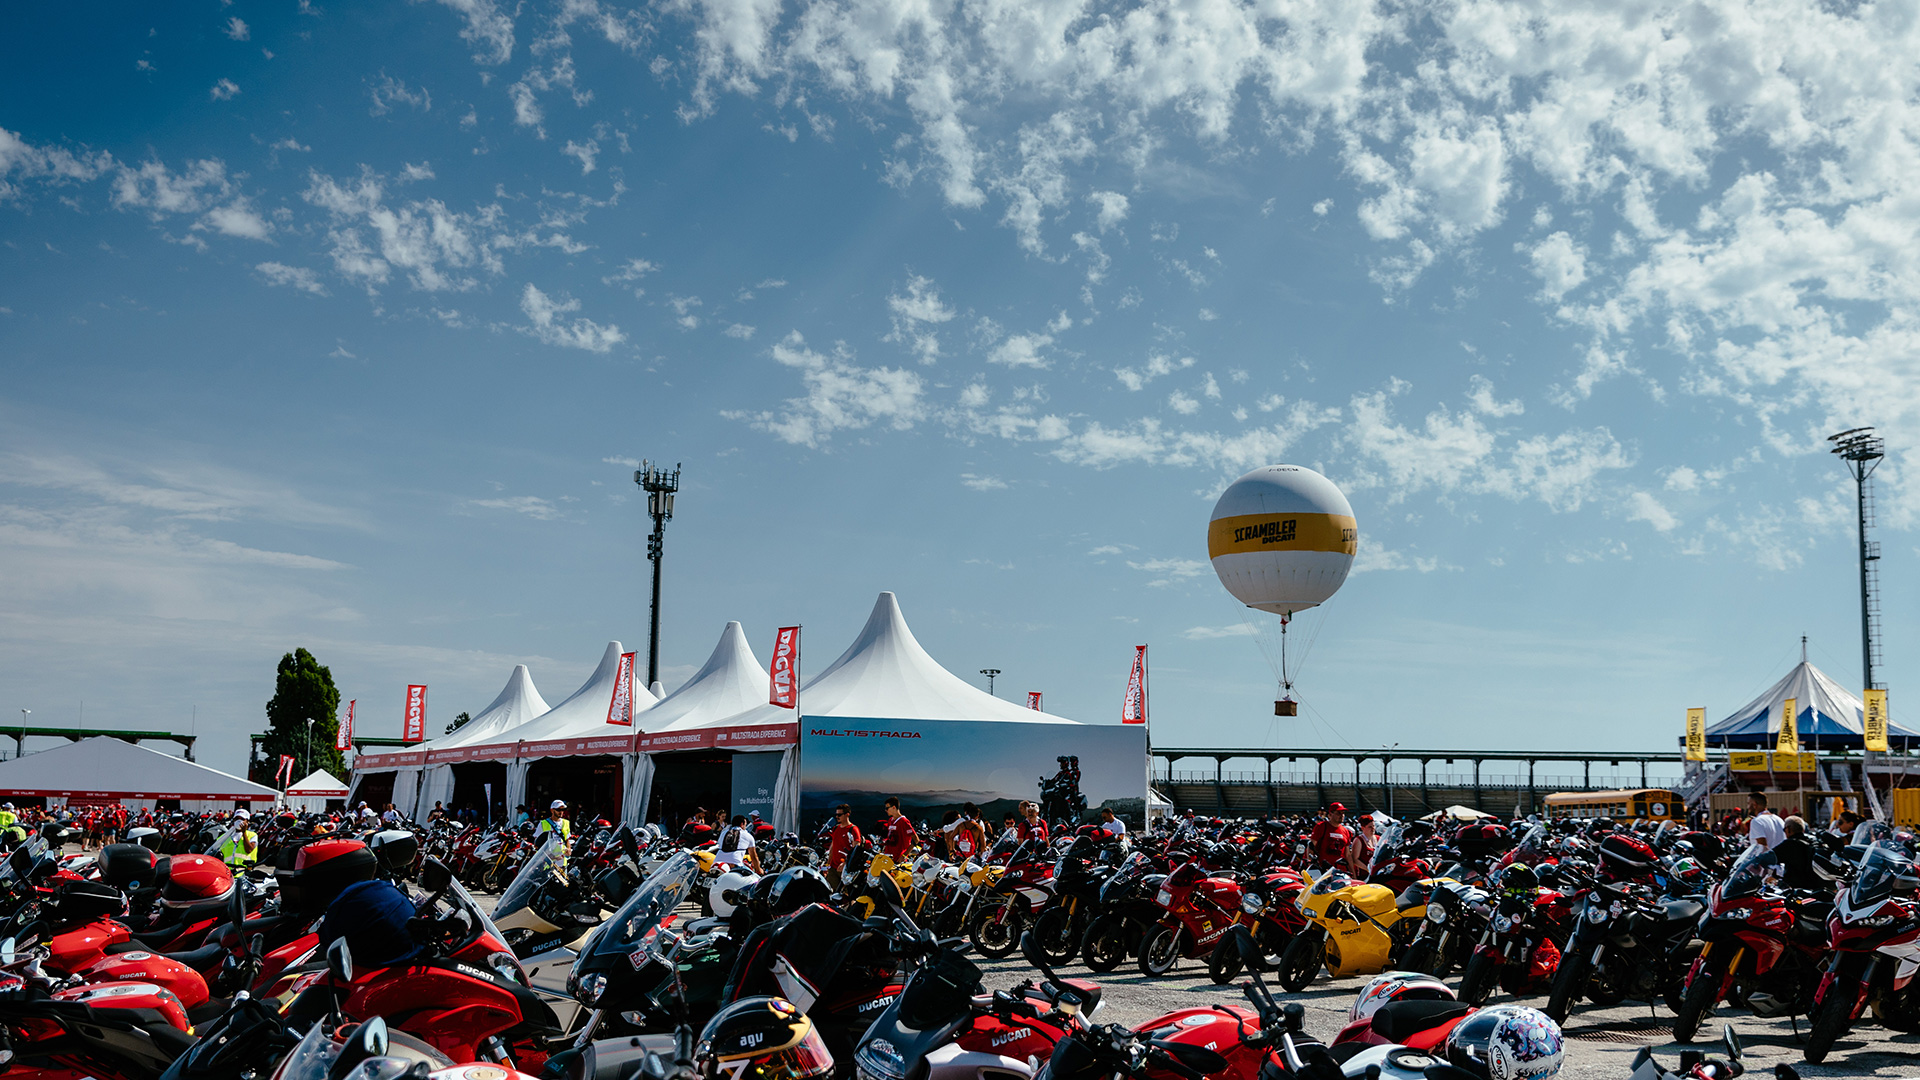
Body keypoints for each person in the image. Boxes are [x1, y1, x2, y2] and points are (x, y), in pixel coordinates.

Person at [1773, 816, 1820, 889]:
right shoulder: (1813, 841)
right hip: (1815, 886)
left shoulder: (1789, 844)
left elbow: (1768, 857)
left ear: (1788, 829)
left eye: (1784, 830)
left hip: (1796, 887)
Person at [1309, 803, 1354, 870]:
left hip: (1340, 871)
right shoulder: (1321, 827)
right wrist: (1311, 866)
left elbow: (1347, 855)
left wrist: (1353, 873)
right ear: (1330, 815)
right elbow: (1311, 847)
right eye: (1338, 813)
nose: (1342, 815)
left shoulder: (1346, 831)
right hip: (1323, 870)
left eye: (1343, 813)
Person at [825, 804, 863, 871]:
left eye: (839, 815)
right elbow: (832, 847)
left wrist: (845, 863)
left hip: (845, 869)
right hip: (833, 867)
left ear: (847, 814)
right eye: (836, 815)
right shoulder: (836, 828)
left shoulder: (853, 829)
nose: (837, 817)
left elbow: (855, 850)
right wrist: (827, 864)